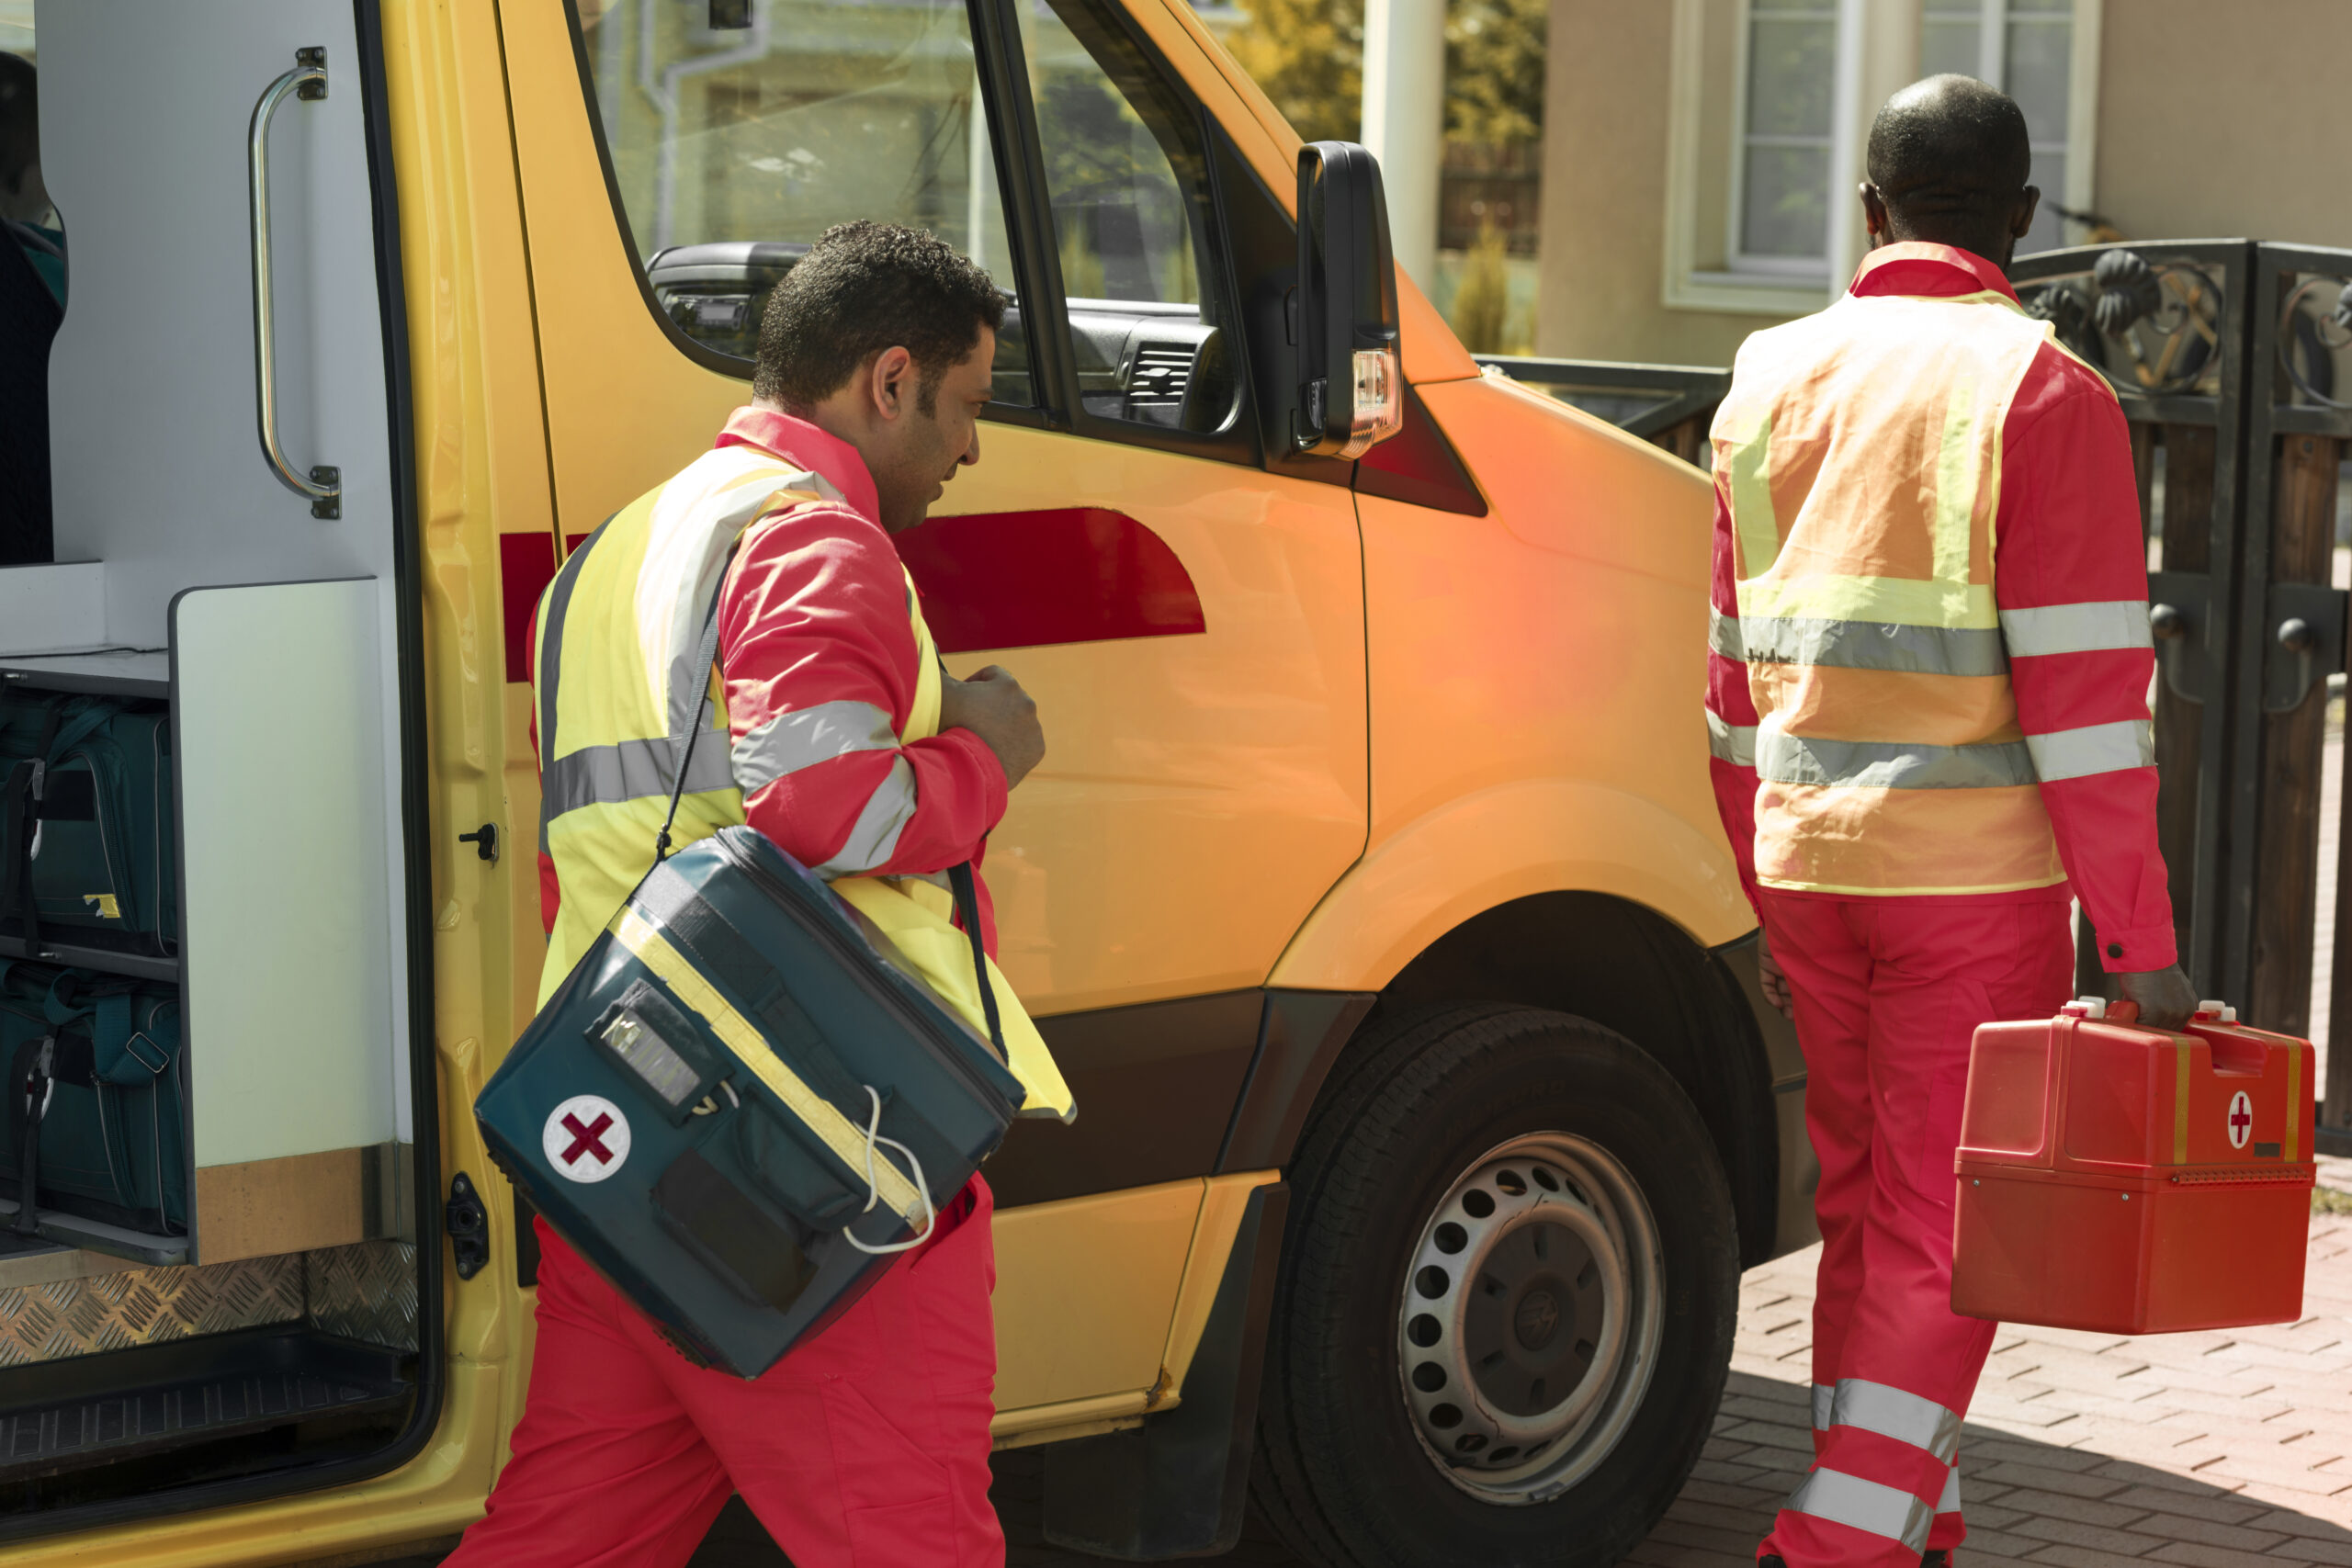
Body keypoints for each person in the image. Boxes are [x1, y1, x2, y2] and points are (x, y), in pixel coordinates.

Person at [447, 220, 1072, 1568]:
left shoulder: (619, 551)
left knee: (564, 1545)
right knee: (914, 1544)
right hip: (818, 1153)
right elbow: (822, 803)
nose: (972, 449)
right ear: (888, 381)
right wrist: (985, 753)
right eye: (966, 406)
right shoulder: (815, 542)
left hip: (623, 1128)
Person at [1702, 76, 2198, 1568]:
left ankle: (1912, 1523)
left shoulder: (1765, 375)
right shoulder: (2046, 395)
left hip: (1803, 860)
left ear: (1869, 213)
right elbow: (2091, 715)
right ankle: (1834, 1544)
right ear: (2026, 224)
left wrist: (1759, 870)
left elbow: (1729, 676)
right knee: (1942, 1232)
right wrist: (2140, 947)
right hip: (1967, 891)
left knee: (1864, 1211)